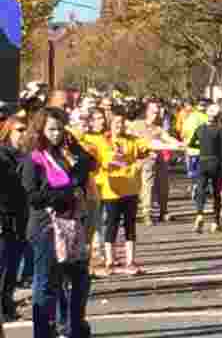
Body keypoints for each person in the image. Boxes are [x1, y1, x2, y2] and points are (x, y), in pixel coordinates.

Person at [22, 107, 95, 338]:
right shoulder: (33, 159)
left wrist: (73, 145)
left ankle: (75, 326)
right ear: (41, 131)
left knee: (81, 279)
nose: (56, 134)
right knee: (46, 284)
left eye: (60, 129)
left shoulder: (62, 154)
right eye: (51, 129)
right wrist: (65, 193)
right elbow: (33, 196)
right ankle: (43, 332)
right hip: (45, 227)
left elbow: (88, 164)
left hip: (71, 225)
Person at [95, 107, 147, 276]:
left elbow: (148, 147)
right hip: (111, 191)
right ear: (110, 124)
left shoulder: (132, 140)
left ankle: (130, 261)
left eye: (123, 122)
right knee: (111, 225)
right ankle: (110, 261)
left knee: (130, 226)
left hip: (130, 189)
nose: (120, 125)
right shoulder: (104, 141)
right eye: (117, 122)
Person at [0, 115, 28, 322]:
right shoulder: (2, 156)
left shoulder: (26, 156)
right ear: (8, 132)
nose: (23, 134)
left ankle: (7, 305)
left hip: (21, 218)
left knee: (12, 266)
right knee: (3, 265)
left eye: (25, 129)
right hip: (3, 218)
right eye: (19, 130)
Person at [188, 103, 222, 234]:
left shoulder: (200, 129)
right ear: (217, 116)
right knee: (216, 193)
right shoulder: (220, 130)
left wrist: (202, 147)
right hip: (215, 162)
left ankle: (199, 214)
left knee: (201, 189)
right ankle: (216, 221)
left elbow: (191, 143)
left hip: (202, 161)